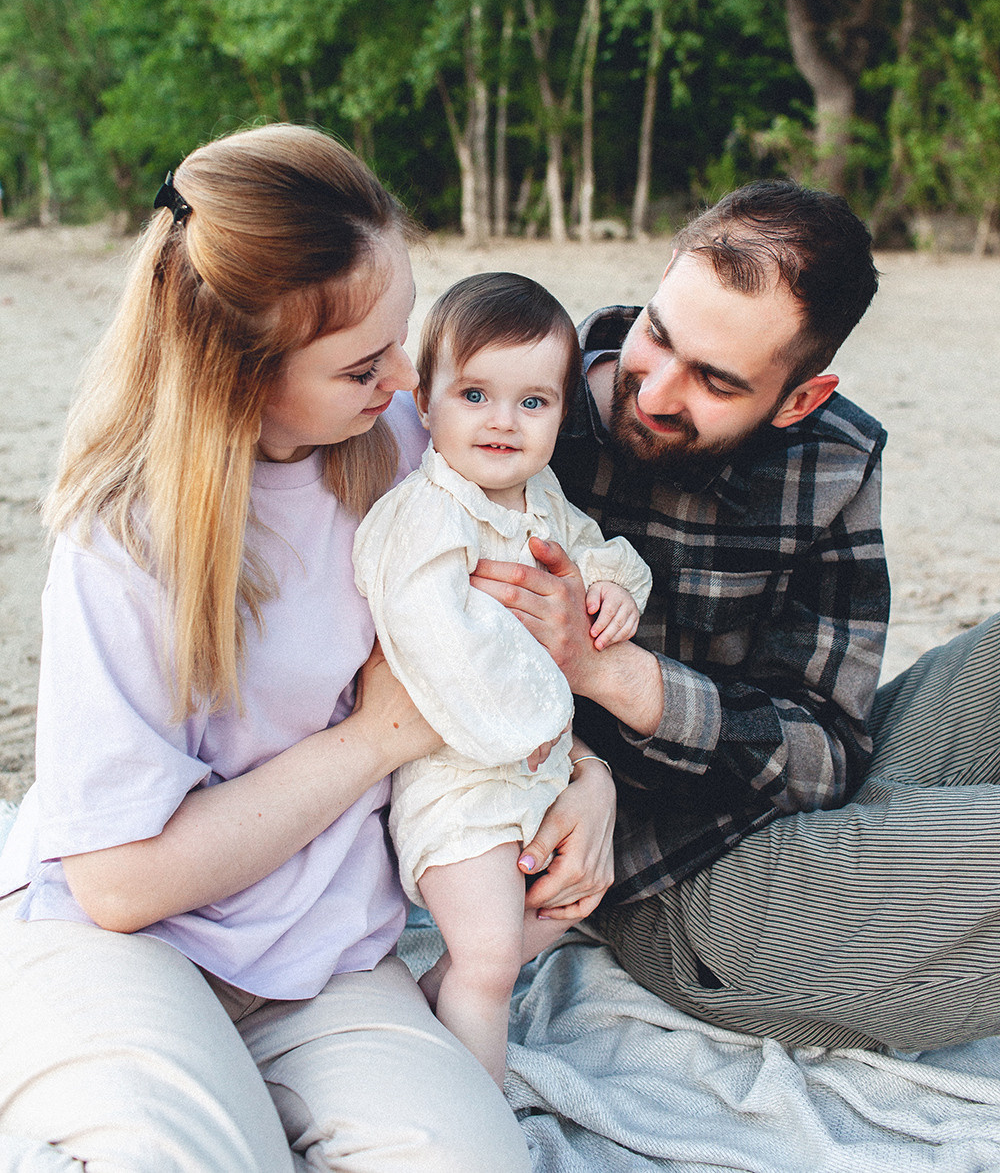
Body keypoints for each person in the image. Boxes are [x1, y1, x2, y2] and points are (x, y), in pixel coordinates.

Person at [0, 125, 615, 1172]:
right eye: (362, 365)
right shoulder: (122, 537)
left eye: (403, 337)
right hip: (121, 944)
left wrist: (588, 777)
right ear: (238, 374)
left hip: (327, 956)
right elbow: (118, 885)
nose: (405, 379)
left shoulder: (414, 449)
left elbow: (501, 647)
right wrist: (377, 736)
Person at [472, 180, 999, 1054]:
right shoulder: (514, 404)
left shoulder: (829, 458)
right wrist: (585, 768)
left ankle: (915, 855)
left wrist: (615, 674)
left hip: (797, 800)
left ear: (799, 400)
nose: (656, 392)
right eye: (658, 335)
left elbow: (827, 753)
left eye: (715, 381)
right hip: (677, 888)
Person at [353, 273, 651, 1085]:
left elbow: (592, 551)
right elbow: (443, 646)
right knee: (489, 960)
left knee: (559, 906)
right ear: (426, 402)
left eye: (533, 402)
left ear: (562, 412)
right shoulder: (429, 517)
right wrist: (547, 720)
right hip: (459, 784)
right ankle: (484, 1113)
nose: (502, 422)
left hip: (533, 772)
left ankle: (423, 1021)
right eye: (475, 394)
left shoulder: (540, 496)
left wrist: (613, 589)